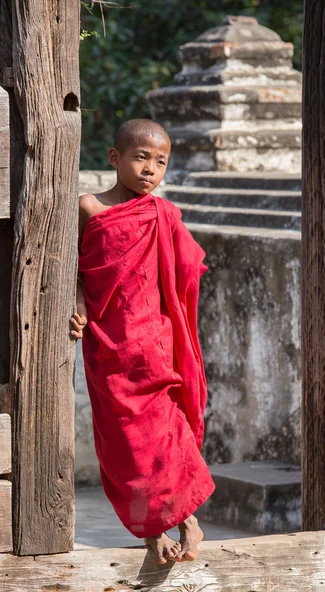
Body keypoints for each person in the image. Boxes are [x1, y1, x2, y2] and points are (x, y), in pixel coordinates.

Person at [70, 119, 215, 564]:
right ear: (114, 158)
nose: (150, 169)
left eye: (161, 162)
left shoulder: (163, 214)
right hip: (109, 341)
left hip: (154, 339)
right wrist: (78, 307)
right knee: (126, 441)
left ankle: (187, 518)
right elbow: (72, 265)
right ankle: (153, 530)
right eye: (141, 157)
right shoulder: (89, 207)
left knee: (166, 433)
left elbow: (187, 268)